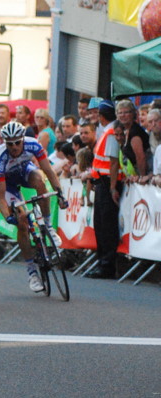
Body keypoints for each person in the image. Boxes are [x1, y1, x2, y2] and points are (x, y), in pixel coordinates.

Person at [0, 122, 67, 292]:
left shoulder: (33, 144)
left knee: (40, 182)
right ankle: (32, 272)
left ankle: (47, 226)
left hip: (25, 171)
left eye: (17, 142)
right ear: (5, 143)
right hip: (8, 183)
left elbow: (49, 170)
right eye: (10, 143)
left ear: (23, 140)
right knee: (22, 224)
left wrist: (60, 193)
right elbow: (1, 198)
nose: (14, 147)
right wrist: (8, 216)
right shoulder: (0, 157)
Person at [80, 100, 121, 279]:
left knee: (106, 227)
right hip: (101, 182)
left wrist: (112, 187)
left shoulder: (111, 132)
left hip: (107, 183)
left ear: (102, 116)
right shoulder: (106, 131)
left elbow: (113, 162)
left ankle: (106, 265)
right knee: (101, 225)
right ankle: (102, 262)